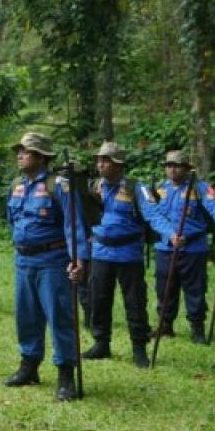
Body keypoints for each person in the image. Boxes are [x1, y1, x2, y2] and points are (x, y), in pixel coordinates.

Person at [4, 132, 88, 402]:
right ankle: (29, 366)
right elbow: (12, 219)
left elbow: (73, 224)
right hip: (23, 260)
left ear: (41, 157)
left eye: (26, 151)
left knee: (59, 316)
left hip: (52, 261)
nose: (20, 155)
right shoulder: (17, 185)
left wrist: (77, 258)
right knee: (26, 315)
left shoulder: (59, 186)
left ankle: (66, 374)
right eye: (19, 151)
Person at [145, 150, 215, 345]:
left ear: (187, 168)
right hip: (165, 247)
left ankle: (197, 328)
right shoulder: (160, 189)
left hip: (193, 248)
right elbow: (153, 215)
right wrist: (169, 236)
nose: (172, 169)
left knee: (195, 289)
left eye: (177, 166)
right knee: (164, 289)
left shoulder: (199, 187)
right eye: (169, 165)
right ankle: (165, 325)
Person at [78, 142, 155, 367]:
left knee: (135, 302)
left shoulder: (135, 188)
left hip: (129, 254)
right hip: (100, 252)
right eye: (99, 160)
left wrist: (171, 234)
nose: (100, 164)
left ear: (119, 164)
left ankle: (139, 348)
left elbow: (153, 214)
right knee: (98, 299)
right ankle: (101, 343)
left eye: (106, 160)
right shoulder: (94, 187)